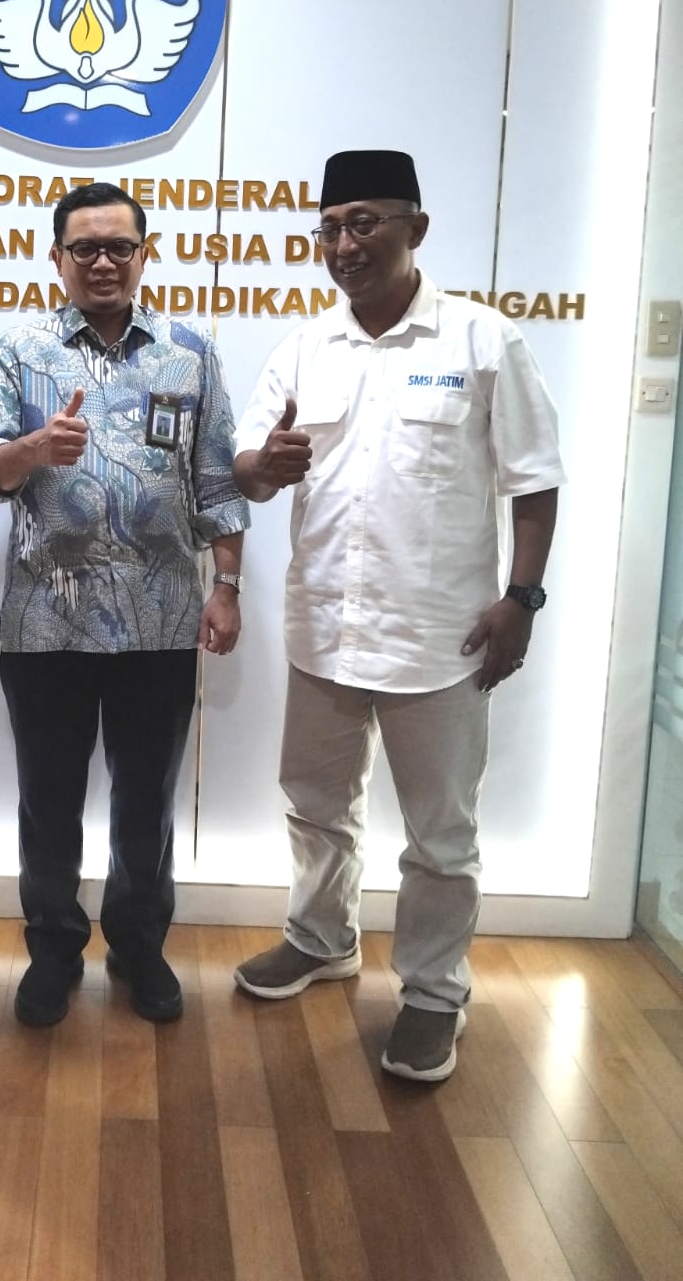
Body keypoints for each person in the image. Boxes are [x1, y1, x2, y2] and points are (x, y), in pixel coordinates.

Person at [232, 149, 564, 1082]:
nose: (346, 244)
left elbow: (535, 481)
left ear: (416, 228)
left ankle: (432, 993)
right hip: (324, 632)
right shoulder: (305, 347)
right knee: (315, 807)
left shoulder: (482, 341)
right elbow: (245, 469)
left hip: (442, 638)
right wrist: (264, 468)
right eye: (330, 228)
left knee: (441, 838)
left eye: (366, 222)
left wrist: (523, 599)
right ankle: (321, 938)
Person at [0, 183, 250, 1026]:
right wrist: (31, 448)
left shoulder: (190, 354)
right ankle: (53, 950)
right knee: (48, 802)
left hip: (162, 622)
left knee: (146, 804)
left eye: (119, 246)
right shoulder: (17, 352)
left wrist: (226, 586)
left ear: (143, 255)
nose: (102, 262)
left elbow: (218, 482)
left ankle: (138, 945)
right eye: (83, 247)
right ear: (56, 257)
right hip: (47, 625)